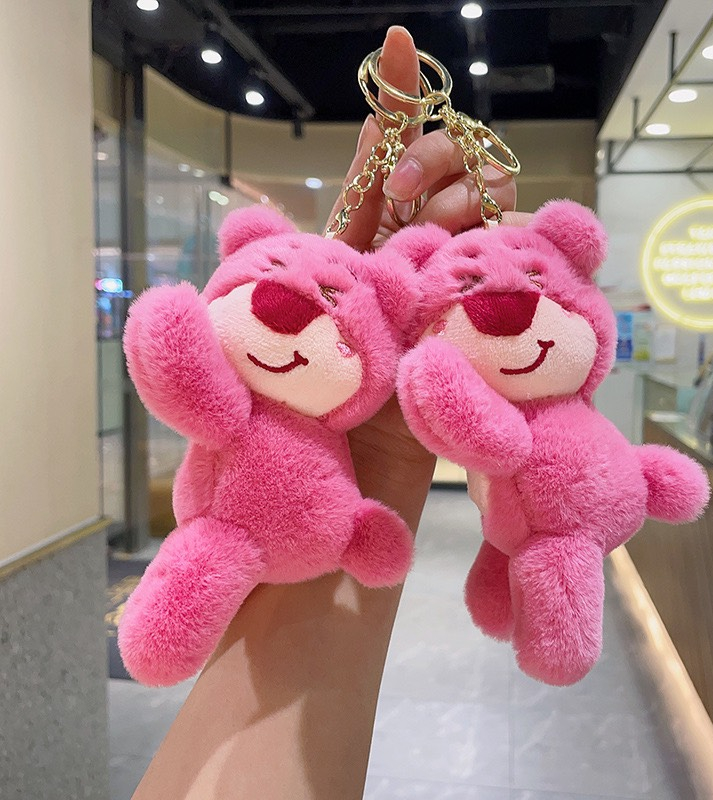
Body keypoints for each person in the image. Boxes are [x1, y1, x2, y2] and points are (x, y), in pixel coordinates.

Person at [132, 25, 522, 800]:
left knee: (213, 561)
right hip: (264, 520)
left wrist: (380, 461)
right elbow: (177, 358)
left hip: (332, 509)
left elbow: (167, 340)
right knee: (210, 557)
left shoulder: (342, 397)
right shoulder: (256, 409)